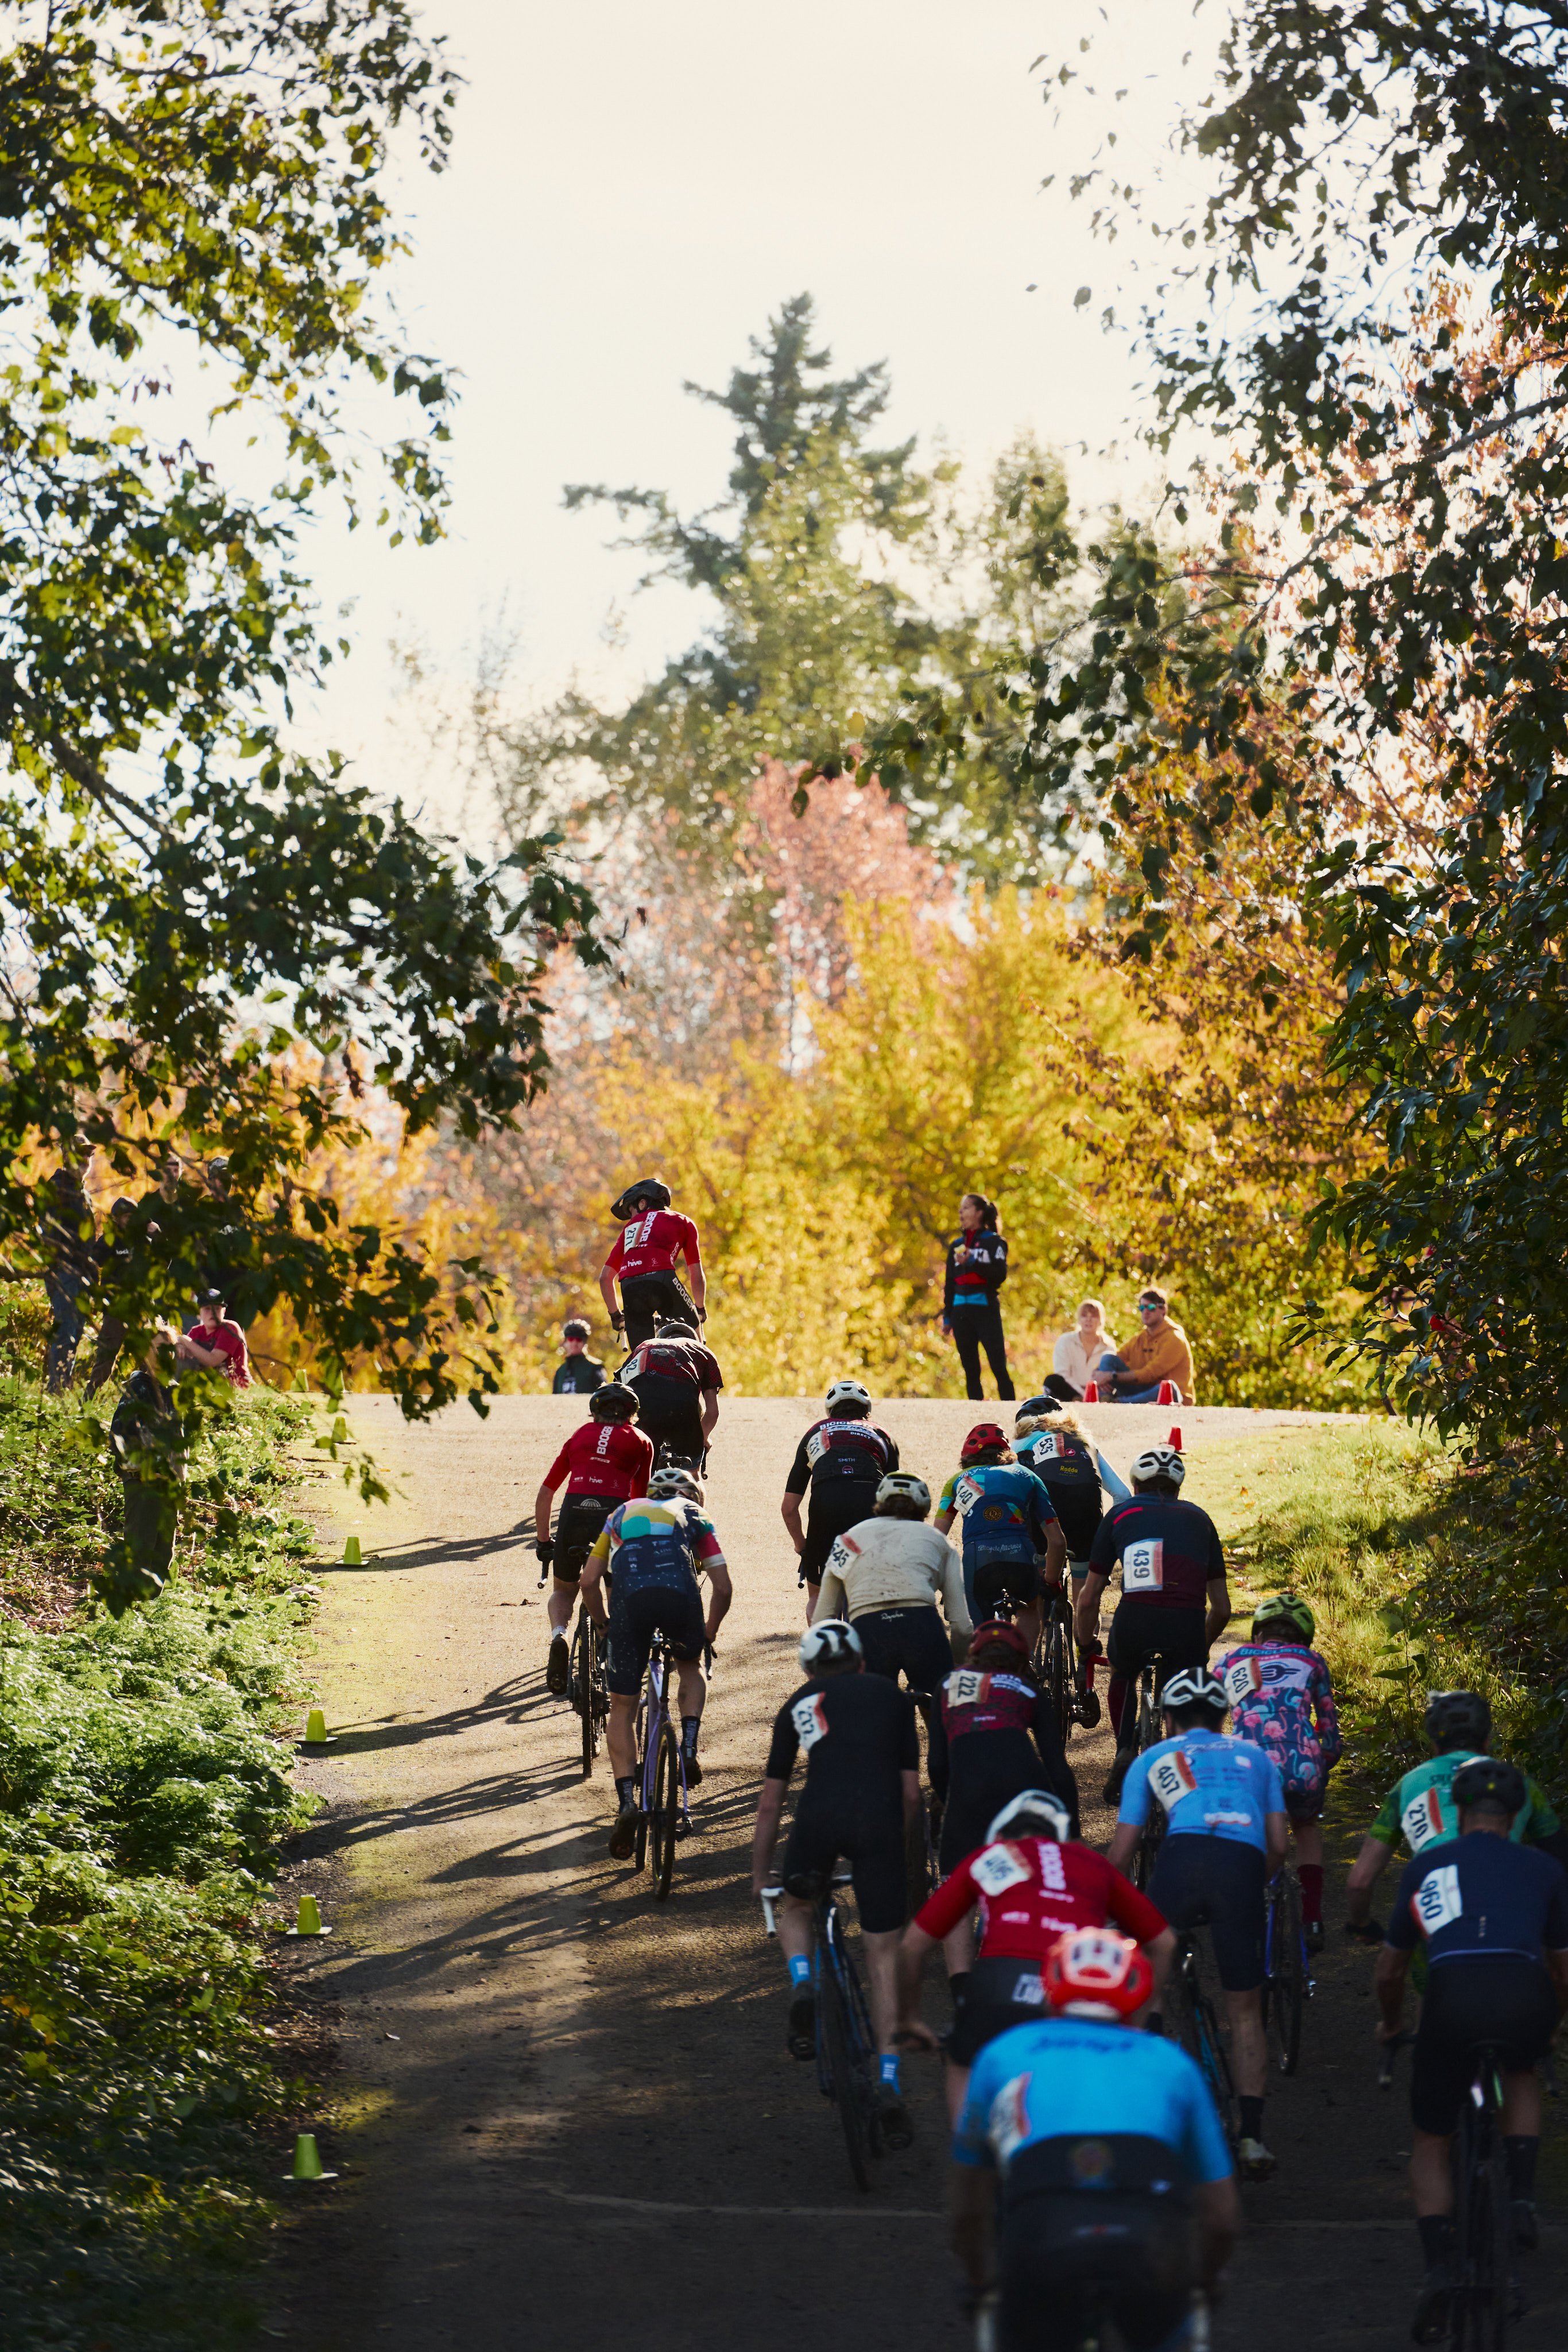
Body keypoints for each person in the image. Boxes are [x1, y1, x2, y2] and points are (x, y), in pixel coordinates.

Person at [950, 1927, 1238, 2352]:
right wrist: (1206, 2282)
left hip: (1041, 2234)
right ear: (1137, 1997)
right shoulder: (1172, 2063)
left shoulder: (1003, 2052)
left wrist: (979, 2279)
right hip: (1150, 2243)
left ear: (1050, 1992)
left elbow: (969, 2201)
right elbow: (1221, 2217)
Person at [1376, 1757, 1568, 2343]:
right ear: (1516, 1816)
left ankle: (1438, 2267)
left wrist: (1391, 2024)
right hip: (1523, 1995)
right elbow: (1563, 1966)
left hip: (1451, 2001)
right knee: (1522, 2070)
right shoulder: (1543, 1869)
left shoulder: (1428, 1867)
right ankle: (1521, 2200)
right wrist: (1552, 2025)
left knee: (1431, 2139)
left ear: (1457, 1813)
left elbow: (1390, 1969)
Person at [1107, 1665, 1288, 2182]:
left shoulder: (1154, 1758)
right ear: (1222, 1717)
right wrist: (1248, 1884)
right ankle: (1251, 2136)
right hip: (1240, 1867)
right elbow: (1278, 1847)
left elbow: (1122, 1853)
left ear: (1168, 1720)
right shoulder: (1256, 1757)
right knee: (1245, 2011)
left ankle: (1146, 2106)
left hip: (1180, 1865)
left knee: (1146, 1984)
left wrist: (1110, 1911)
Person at [899, 1786, 1174, 2122]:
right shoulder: (1092, 1863)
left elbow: (912, 1945)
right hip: (1072, 1988)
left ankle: (969, 2148)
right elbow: (1164, 1943)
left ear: (1001, 1837)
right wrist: (1139, 2023)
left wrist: (909, 2018)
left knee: (962, 2064)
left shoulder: (992, 1857)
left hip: (998, 1985)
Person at [750, 1618, 922, 2147]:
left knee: (797, 1905)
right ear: (862, 1662)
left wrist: (760, 1873)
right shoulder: (891, 1698)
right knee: (882, 1957)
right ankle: (888, 2083)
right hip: (878, 1822)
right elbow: (911, 1795)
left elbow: (770, 1803)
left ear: (809, 1670)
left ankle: (802, 1978)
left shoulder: (797, 1704)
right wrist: (902, 1856)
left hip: (818, 1820)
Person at [580, 1464, 731, 1856]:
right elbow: (722, 1586)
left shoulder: (621, 1513)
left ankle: (627, 1802)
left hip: (630, 1603)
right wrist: (709, 1632)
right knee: (689, 1667)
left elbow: (588, 1581)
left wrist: (603, 1625)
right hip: (680, 1597)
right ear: (693, 1496)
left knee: (622, 1707)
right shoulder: (694, 1513)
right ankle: (689, 1747)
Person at [1074, 1444, 1230, 1805]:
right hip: (1186, 1625)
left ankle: (1124, 1749)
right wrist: (1200, 1646)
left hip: (1136, 1621)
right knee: (1184, 1686)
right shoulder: (1200, 1519)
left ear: (1135, 1484)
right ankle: (1181, 1766)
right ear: (1178, 1488)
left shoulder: (1120, 1515)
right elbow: (1222, 1609)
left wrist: (1085, 1646)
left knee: (1124, 1673)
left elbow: (1088, 1598)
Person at [1346, 1688, 1568, 1937]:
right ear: (1487, 1738)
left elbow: (1359, 1883)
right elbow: (1560, 1856)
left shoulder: (1409, 1784)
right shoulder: (1518, 1784)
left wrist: (1361, 1923)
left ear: (1434, 1741)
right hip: (1507, 1914)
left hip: (1435, 1918)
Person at [1216, 1592, 1342, 1951]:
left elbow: (1210, 1719)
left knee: (1249, 1832)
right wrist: (1320, 1763)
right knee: (1306, 1827)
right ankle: (1312, 1919)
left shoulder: (1231, 1661)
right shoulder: (1312, 1661)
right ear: (1303, 1638)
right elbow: (1331, 1736)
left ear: (1258, 1633)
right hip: (1302, 1766)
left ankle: (1246, 1905)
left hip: (1247, 1768)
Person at [928, 1620, 1079, 1898]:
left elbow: (937, 1764)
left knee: (955, 1898)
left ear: (973, 1656)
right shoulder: (1028, 1689)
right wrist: (1073, 1833)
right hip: (1023, 1793)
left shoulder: (948, 1684)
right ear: (1020, 1663)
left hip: (968, 1797)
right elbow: (1058, 1770)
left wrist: (953, 1799)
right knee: (1029, 1890)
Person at [1013, 1402, 1131, 1717]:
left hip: (1045, 1516)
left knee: (1038, 1595)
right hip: (1086, 1513)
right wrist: (1108, 1536)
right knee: (1085, 1599)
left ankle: (1028, 1670)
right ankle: (1085, 1671)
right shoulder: (1085, 1441)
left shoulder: (1021, 1443)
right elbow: (1123, 1495)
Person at [534, 1384, 653, 1694]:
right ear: (632, 1414)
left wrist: (544, 1541)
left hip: (574, 1511)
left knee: (564, 1590)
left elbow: (546, 1493)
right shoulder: (641, 1440)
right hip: (614, 1514)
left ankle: (559, 1636)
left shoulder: (579, 1435)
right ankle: (609, 1643)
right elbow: (639, 1499)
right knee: (616, 1591)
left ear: (594, 1412)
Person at [811, 1471, 972, 1692]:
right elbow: (962, 1624)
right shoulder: (939, 1541)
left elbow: (822, 1618)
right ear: (924, 1507)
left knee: (874, 1709)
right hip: (922, 1626)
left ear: (880, 1501)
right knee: (937, 1705)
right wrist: (959, 1663)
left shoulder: (848, 1539)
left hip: (868, 1629)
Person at [935, 1423, 1065, 1656]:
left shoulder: (956, 1481)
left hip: (978, 1560)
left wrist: (947, 1582)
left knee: (976, 1627)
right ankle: (1024, 1665)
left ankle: (980, 1669)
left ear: (967, 1455)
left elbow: (937, 1539)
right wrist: (1051, 1582)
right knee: (1029, 1610)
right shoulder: (1028, 1476)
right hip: (1021, 1556)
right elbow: (1057, 1542)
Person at [780, 1379, 900, 1616]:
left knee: (819, 1598)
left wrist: (803, 1546)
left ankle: (823, 1640)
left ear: (830, 1410)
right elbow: (898, 1501)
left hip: (827, 1505)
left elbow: (789, 1508)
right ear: (867, 1410)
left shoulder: (815, 1433)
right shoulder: (882, 1434)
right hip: (869, 1506)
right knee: (870, 1599)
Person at [108, 1332, 184, 1603]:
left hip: (169, 1484)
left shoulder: (173, 1391)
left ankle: (150, 1604)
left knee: (164, 1550)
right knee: (141, 1544)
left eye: (169, 1349)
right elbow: (119, 1435)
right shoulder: (138, 1388)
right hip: (142, 1481)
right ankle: (131, 1605)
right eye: (157, 1349)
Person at [598, 1177, 706, 1350]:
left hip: (630, 1286)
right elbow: (696, 1275)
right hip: (663, 1279)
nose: (631, 1218)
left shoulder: (630, 1228)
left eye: (631, 1211)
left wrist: (616, 1316)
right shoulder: (682, 1221)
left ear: (642, 1204)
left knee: (640, 1352)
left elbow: (605, 1278)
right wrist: (699, 1309)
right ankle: (700, 1364)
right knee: (693, 1334)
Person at [617, 1319, 722, 1469]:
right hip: (682, 1405)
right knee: (691, 1472)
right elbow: (713, 1412)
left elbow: (619, 1388)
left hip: (645, 1406)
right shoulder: (703, 1351)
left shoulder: (646, 1345)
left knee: (641, 1472)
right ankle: (692, 1476)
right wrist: (703, 1439)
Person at [940, 1193, 1014, 1402]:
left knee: (998, 1365)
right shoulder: (956, 1245)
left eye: (966, 1208)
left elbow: (1000, 1275)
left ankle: (1012, 1409)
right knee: (971, 1369)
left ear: (979, 1213)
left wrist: (973, 1262)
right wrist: (947, 1317)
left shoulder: (994, 1242)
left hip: (986, 1311)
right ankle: (976, 1411)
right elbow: (950, 1283)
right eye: (960, 1208)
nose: (960, 1212)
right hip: (960, 1313)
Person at [42, 1165, 95, 1393]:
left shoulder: (84, 1194)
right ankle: (55, 1387)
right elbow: (49, 1231)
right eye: (80, 1155)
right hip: (64, 1271)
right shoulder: (58, 1188)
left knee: (76, 1330)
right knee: (65, 1329)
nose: (85, 1161)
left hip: (82, 1274)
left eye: (89, 1156)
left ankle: (62, 1383)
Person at [1095, 1286, 1195, 1404]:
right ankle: (1105, 1398)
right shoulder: (1140, 1339)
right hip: (1142, 1390)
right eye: (1142, 1308)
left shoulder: (1175, 1339)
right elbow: (1118, 1357)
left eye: (1151, 1307)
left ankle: (1119, 1402)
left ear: (1163, 1310)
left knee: (1168, 1387)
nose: (1146, 1312)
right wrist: (1098, 1374)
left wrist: (1112, 1376)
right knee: (1108, 1358)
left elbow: (1150, 1374)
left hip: (1172, 1396)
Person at [84, 1197, 136, 1397]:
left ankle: (146, 1397)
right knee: (106, 1356)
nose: (131, 1221)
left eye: (133, 1217)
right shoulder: (108, 1240)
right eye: (127, 1217)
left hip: (140, 1306)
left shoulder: (143, 1240)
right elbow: (93, 1262)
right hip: (115, 1307)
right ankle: (89, 1397)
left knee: (150, 1354)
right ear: (116, 1219)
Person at [1047, 1298, 1118, 1402]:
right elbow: (1062, 1374)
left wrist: (1093, 1393)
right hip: (1071, 1391)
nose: (1088, 1319)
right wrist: (1084, 1394)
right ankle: (1079, 1399)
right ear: (1079, 1319)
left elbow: (1108, 1378)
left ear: (1101, 1320)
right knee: (1052, 1380)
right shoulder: (1065, 1341)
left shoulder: (1109, 1346)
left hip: (1098, 1394)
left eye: (1094, 1316)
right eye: (1084, 1315)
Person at [176, 1290, 251, 1387]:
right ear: (199, 1313)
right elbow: (187, 1354)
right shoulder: (196, 1331)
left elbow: (213, 1361)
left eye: (217, 1309)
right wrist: (180, 1346)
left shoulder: (230, 1328)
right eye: (207, 1309)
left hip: (235, 1384)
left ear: (224, 1312)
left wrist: (184, 1340)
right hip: (209, 1383)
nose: (213, 1313)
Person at [552, 1317, 606, 1394]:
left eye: (579, 1339)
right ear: (565, 1342)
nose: (574, 1343)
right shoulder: (560, 1371)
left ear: (584, 1342)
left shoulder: (595, 1368)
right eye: (571, 1339)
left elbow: (604, 1395)